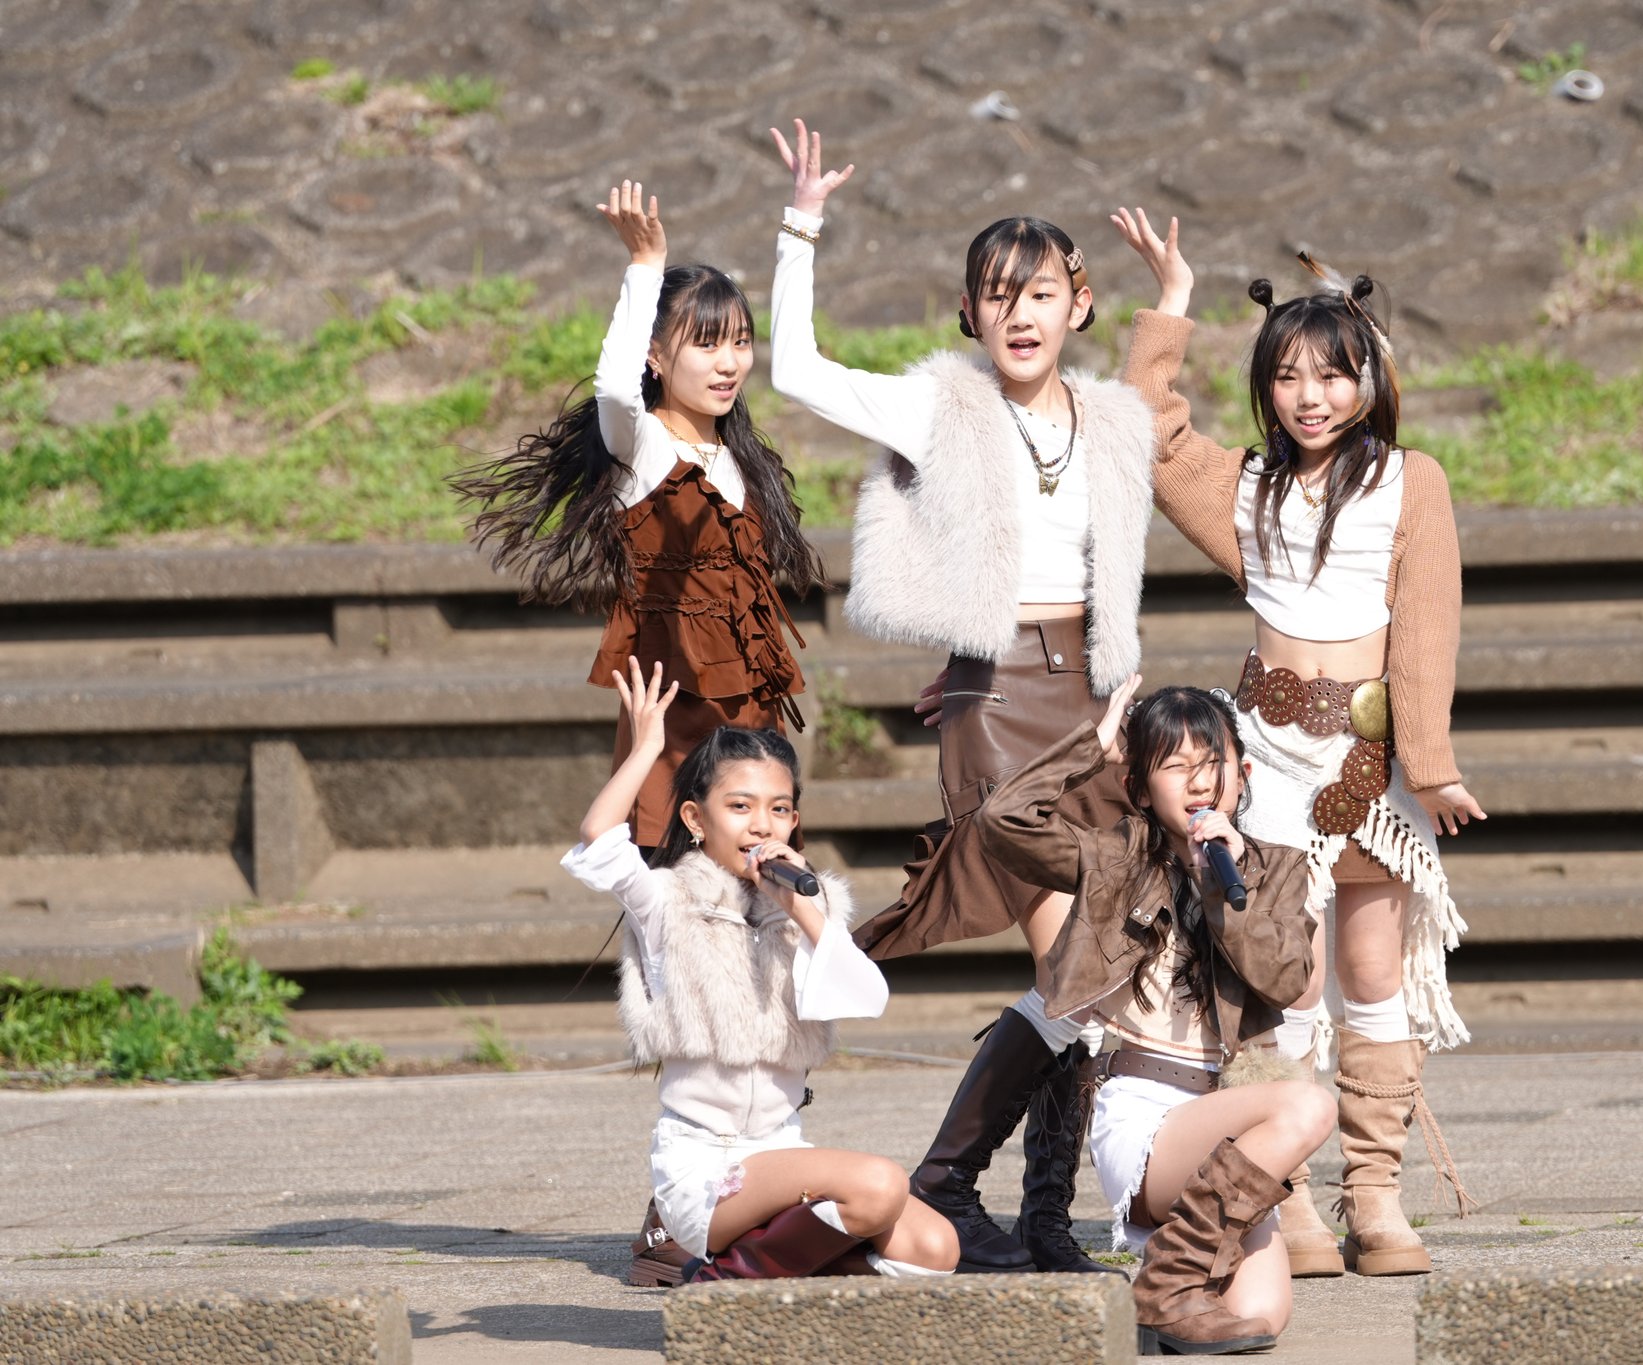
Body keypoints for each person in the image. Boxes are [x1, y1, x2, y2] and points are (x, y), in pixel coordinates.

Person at [766, 120, 1157, 1275]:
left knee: (1093, 969)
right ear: (969, 313)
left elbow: (1123, 536)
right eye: (996, 295)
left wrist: (1179, 298)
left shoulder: (1108, 419)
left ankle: (1002, 1202)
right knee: (1078, 966)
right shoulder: (937, 407)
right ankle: (989, 1196)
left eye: (1038, 293)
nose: (1018, 313)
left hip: (1092, 700)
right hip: (993, 704)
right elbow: (796, 371)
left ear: (1077, 303)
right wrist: (800, 226)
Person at [1112, 207, 1482, 1278]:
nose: (1309, 395)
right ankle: (1290, 1198)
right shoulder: (1246, 487)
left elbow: (1426, 629)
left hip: (1367, 767)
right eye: (1286, 376)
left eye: (1331, 373)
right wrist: (1171, 305)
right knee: (1284, 979)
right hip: (1264, 762)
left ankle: (1376, 1196)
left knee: (1373, 971)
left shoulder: (1411, 481)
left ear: (1369, 377)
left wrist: (1432, 763)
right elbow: (1149, 432)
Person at [561, 657, 958, 1286]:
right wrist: (646, 749)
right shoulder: (665, 903)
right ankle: (720, 1283)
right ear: (696, 820)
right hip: (705, 1169)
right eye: (740, 806)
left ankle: (771, 1270)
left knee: (934, 1249)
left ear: (793, 824)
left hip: (781, 1153)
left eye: (778, 809)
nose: (761, 824)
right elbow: (598, 840)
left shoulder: (805, 910)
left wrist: (800, 909)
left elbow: (866, 995)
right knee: (880, 1184)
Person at [454, 178, 822, 853]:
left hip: (753, 725)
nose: (729, 363)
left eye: (740, 343)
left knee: (763, 895)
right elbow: (614, 392)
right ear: (656, 355)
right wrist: (645, 265)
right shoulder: (644, 447)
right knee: (670, 895)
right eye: (706, 345)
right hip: (674, 725)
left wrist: (802, 222)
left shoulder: (742, 458)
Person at [977, 677, 1331, 1354]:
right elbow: (1003, 822)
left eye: (1213, 761)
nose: (1199, 781)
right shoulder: (1116, 860)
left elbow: (1285, 980)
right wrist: (1090, 745)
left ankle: (1167, 1276)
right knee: (1309, 1106)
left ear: (1243, 774)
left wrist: (1222, 890)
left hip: (1225, 1117)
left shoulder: (1276, 871)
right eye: (1175, 765)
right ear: (1139, 788)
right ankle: (1165, 1287)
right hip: (1144, 1114)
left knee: (1261, 1315)